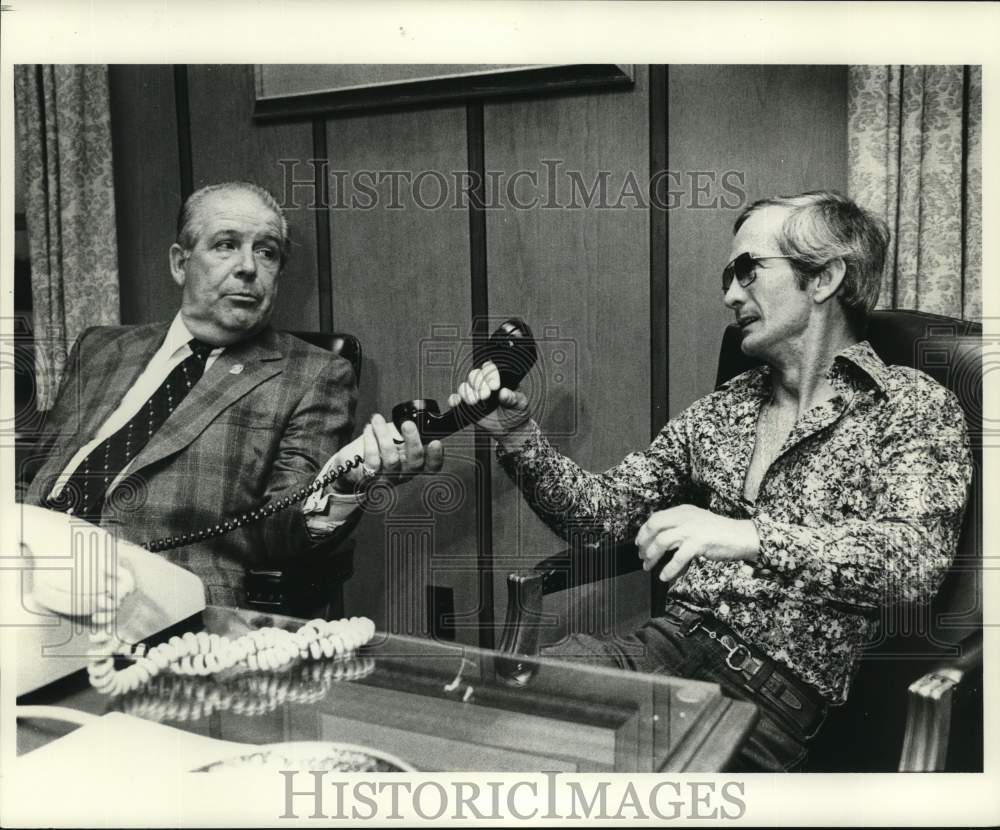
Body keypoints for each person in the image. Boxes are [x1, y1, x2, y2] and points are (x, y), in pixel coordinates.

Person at [450, 190, 972, 771]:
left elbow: (911, 567)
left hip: (768, 701)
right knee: (486, 716)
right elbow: (598, 518)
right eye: (729, 275)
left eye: (748, 270)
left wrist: (748, 535)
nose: (729, 294)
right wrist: (518, 435)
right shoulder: (722, 410)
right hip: (661, 651)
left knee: (580, 778)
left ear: (823, 277)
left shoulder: (909, 405)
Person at [23, 181, 441, 606]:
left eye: (267, 251)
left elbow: (283, 530)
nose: (248, 267)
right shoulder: (101, 348)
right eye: (226, 245)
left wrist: (346, 479)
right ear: (180, 263)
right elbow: (32, 475)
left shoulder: (314, 375)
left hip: (151, 599)